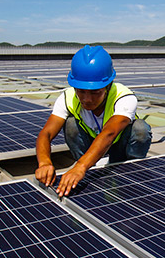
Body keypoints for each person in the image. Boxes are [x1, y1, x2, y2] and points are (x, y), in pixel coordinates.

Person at [35, 45, 152, 197]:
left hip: (119, 146)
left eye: (95, 92)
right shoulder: (67, 97)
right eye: (81, 91)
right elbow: (46, 133)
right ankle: (88, 171)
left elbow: (109, 133)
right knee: (71, 124)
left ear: (108, 86)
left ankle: (132, 171)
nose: (87, 99)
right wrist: (44, 163)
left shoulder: (124, 97)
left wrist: (80, 167)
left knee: (140, 128)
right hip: (90, 145)